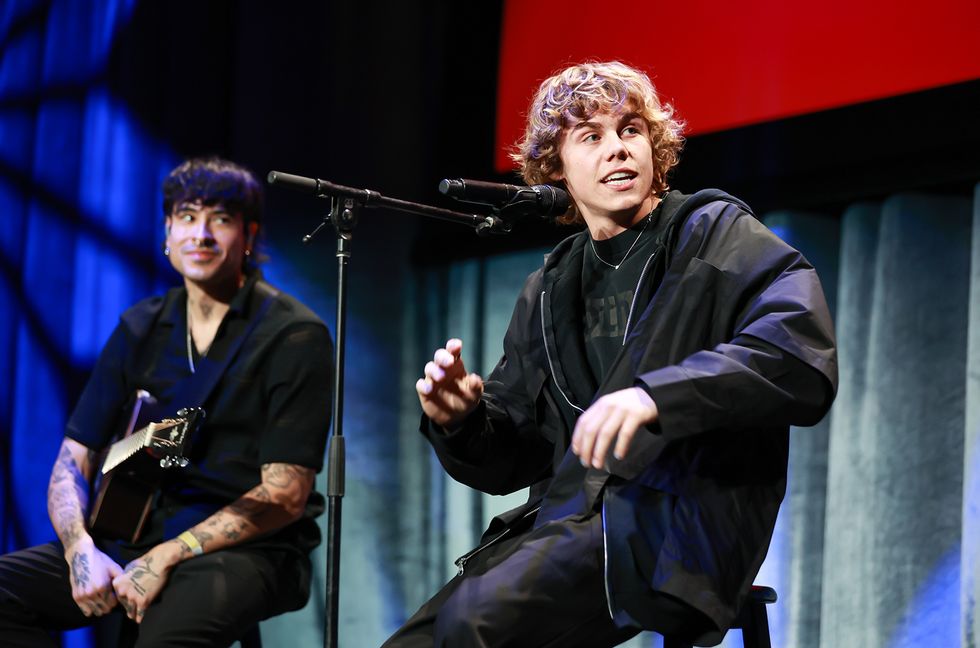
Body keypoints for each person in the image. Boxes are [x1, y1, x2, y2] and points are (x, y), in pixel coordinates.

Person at [384, 61, 838, 647]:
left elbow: (797, 353)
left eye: (630, 130)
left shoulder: (712, 233)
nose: (618, 150)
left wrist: (657, 397)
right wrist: (461, 419)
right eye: (590, 137)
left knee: (475, 626)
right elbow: (515, 454)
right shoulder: (552, 285)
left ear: (655, 145)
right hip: (568, 518)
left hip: (676, 514)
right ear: (555, 167)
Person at [0, 157, 333, 647]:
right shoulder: (141, 326)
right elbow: (74, 458)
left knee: (165, 639)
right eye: (187, 216)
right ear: (167, 231)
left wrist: (169, 554)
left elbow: (285, 495)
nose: (201, 234)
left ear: (249, 236)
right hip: (130, 535)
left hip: (246, 549)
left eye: (220, 219)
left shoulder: (292, 334)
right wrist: (79, 548)